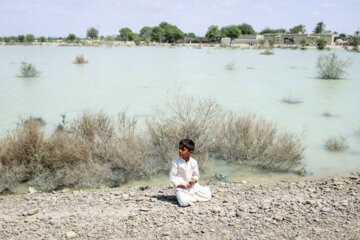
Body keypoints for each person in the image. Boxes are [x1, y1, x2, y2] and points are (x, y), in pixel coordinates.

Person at [169, 139, 211, 207]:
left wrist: (194, 180)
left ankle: (192, 195)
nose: (180, 151)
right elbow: (172, 177)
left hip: (192, 186)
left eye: (183, 149)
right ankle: (183, 196)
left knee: (208, 196)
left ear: (190, 152)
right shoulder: (175, 162)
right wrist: (181, 185)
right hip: (181, 187)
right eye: (179, 148)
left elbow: (196, 175)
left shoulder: (194, 162)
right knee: (184, 203)